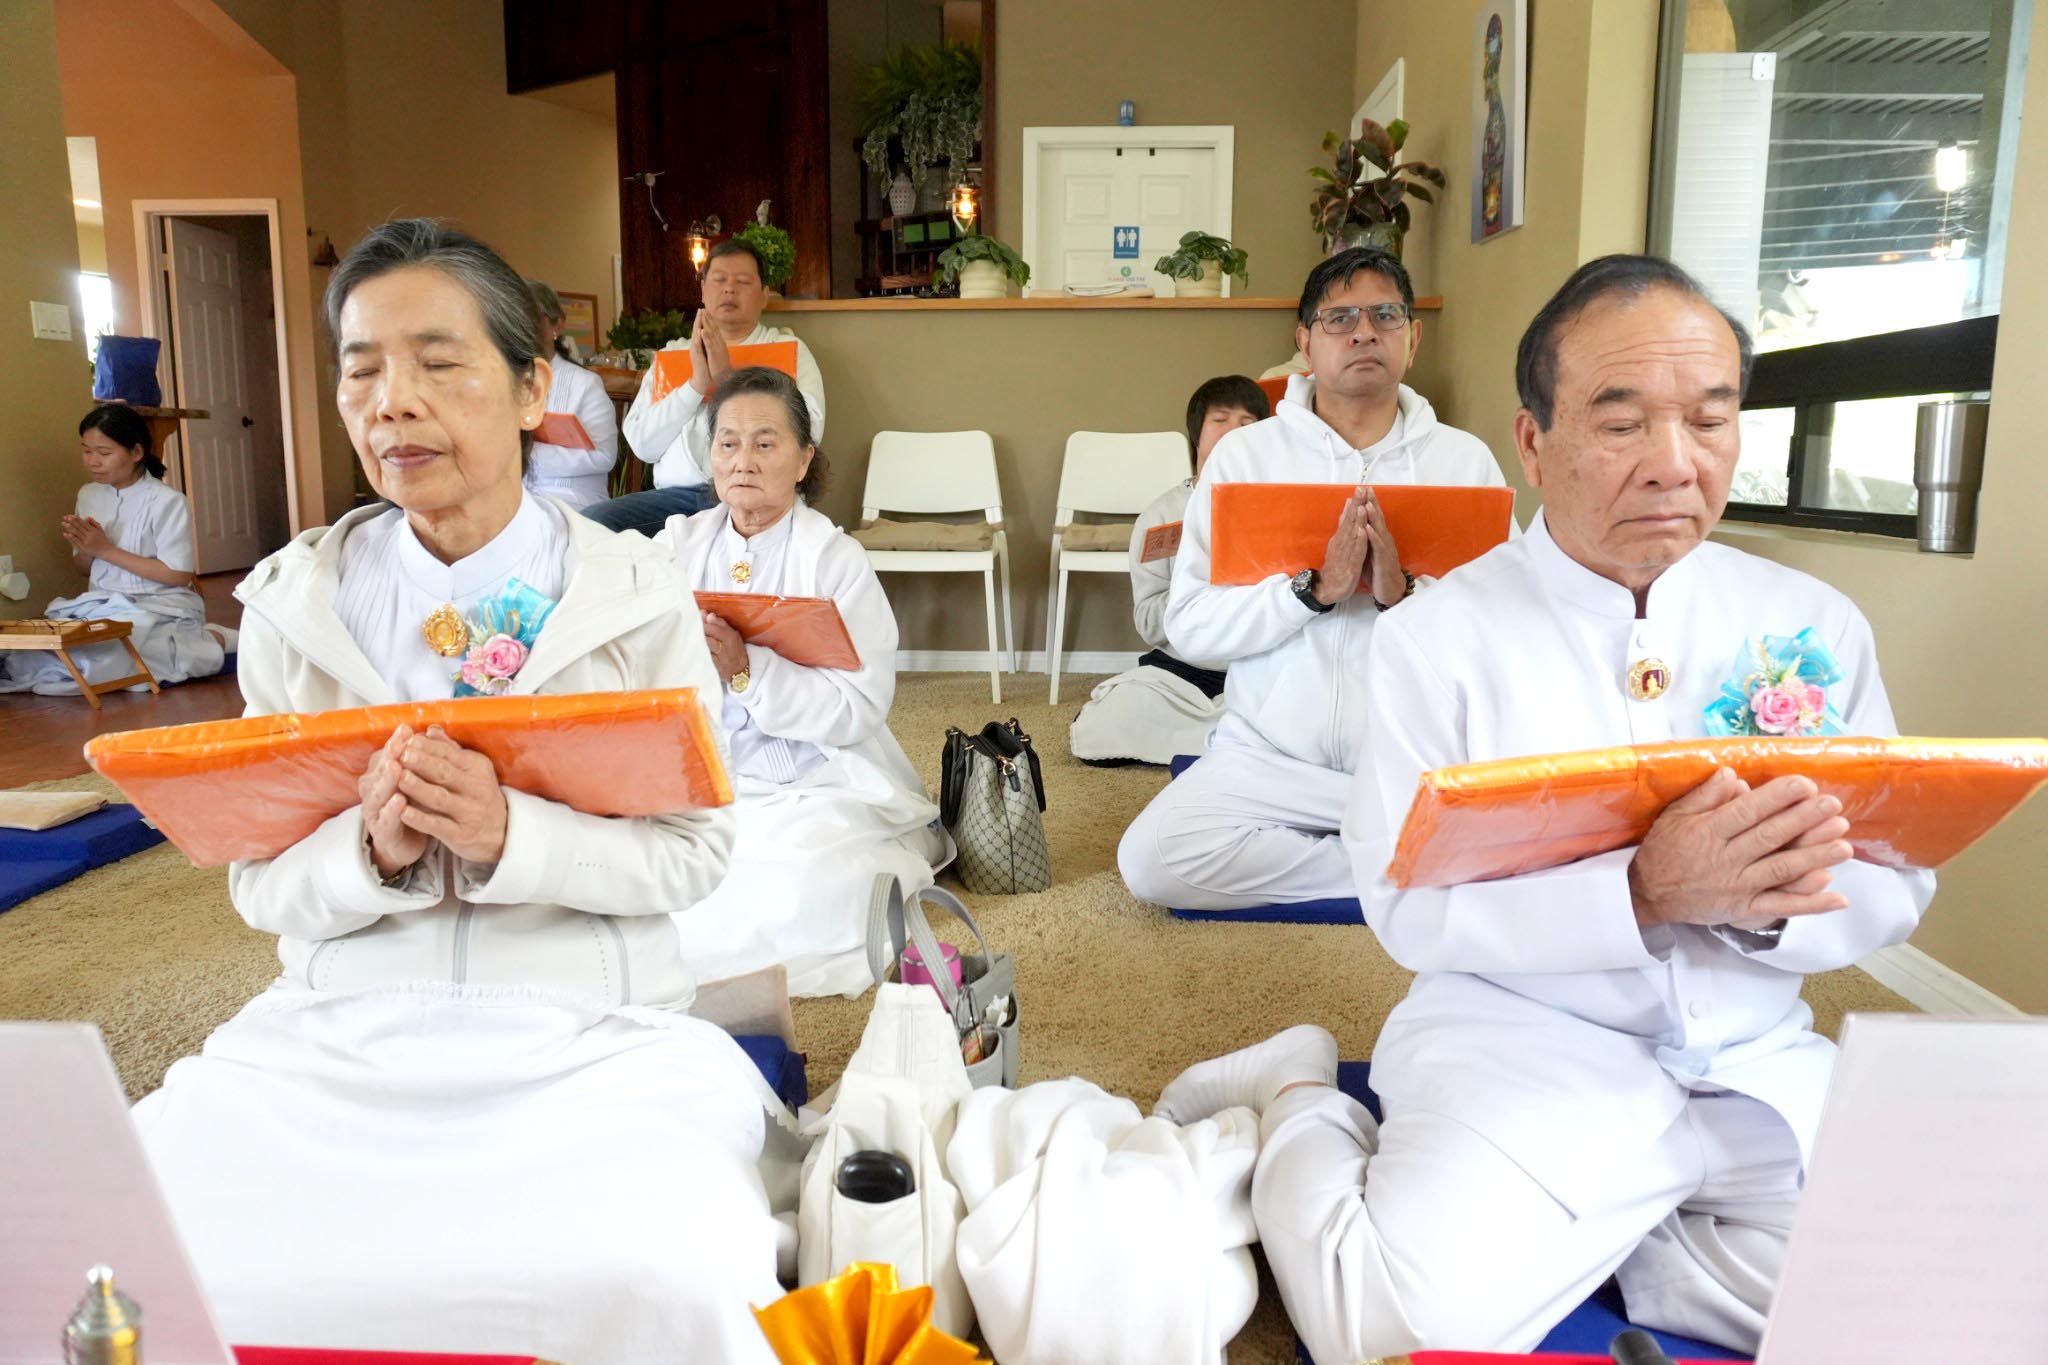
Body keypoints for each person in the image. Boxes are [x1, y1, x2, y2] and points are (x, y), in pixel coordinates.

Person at [1168, 256, 1935, 1362]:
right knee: (1385, 1328)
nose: (1674, 465)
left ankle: (1633, 1243)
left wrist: (1761, 905)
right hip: (1525, 1044)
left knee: (1963, 1299)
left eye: (1710, 421)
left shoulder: (1812, 624)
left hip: (1753, 1055)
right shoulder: (1441, 639)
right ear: (1530, 445)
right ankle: (1295, 1088)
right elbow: (1400, 898)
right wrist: (1638, 892)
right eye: (1620, 425)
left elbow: (1892, 874)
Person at [129, 219, 789, 1364]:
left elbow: (693, 854)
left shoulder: (634, 595)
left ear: (533, 387)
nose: (392, 403)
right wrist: (368, 857)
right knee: (123, 1246)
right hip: (336, 1035)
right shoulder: (295, 604)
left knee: (667, 1276)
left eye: (438, 364)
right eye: (362, 369)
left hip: (587, 1029)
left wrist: (506, 837)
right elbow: (259, 888)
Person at [1117, 247, 1507, 910]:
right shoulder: (1246, 459)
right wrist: (1311, 592)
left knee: (1547, 846)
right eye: (1339, 318)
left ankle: (1389, 852)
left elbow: (1504, 635)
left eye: (1386, 314)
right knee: (1151, 860)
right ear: (1304, 342)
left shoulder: (1464, 463)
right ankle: (1397, 868)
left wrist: (1405, 596)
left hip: (1403, 761)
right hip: (1267, 758)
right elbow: (1189, 625)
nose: (1364, 331)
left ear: (1412, 337)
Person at [657, 365, 951, 997]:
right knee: (651, 875)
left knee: (811, 884)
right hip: (704, 771)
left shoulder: (834, 560)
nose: (743, 460)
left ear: (802, 459)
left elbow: (861, 706)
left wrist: (747, 670)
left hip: (812, 776)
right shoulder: (677, 545)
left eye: (765, 443)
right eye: (727, 443)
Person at [1068, 375, 1269, 765]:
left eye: (1247, 425)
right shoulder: (1160, 516)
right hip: (1181, 670)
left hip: (1257, 668)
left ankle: (1225, 737)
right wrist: (1202, 586)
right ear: (1196, 433)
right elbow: (1147, 619)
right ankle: (1228, 742)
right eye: (1221, 420)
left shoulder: (1280, 506)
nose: (1233, 433)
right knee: (1107, 721)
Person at [588, 238, 826, 536]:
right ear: (703, 290)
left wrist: (727, 381)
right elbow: (642, 445)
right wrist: (696, 385)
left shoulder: (788, 349)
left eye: (742, 281)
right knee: (592, 525)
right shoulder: (674, 353)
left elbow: (811, 431)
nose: (729, 289)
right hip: (676, 499)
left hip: (757, 494)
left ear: (764, 295)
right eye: (719, 280)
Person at [0, 406, 230, 695]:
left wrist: (105, 549)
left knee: (103, 660)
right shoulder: (89, 494)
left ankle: (213, 639)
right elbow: (84, 569)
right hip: (102, 605)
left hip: (160, 606)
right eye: (86, 451)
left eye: (104, 453)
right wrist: (85, 547)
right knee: (31, 655)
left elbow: (178, 575)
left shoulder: (168, 501)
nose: (93, 462)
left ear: (136, 453)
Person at [522, 278, 620, 510]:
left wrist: (525, 452)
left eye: (532, 315)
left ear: (557, 325)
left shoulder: (585, 384)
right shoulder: (502, 383)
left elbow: (605, 456)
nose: (522, 325)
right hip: (514, 499)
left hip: (575, 500)